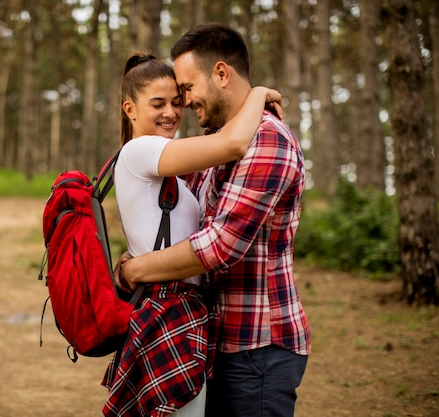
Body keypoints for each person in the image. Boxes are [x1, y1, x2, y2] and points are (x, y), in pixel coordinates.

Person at [117, 24, 311, 417]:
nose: (182, 104)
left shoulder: (267, 139)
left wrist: (137, 268)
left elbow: (219, 245)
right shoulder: (215, 147)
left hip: (257, 347)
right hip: (213, 340)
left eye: (186, 89)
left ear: (221, 74)